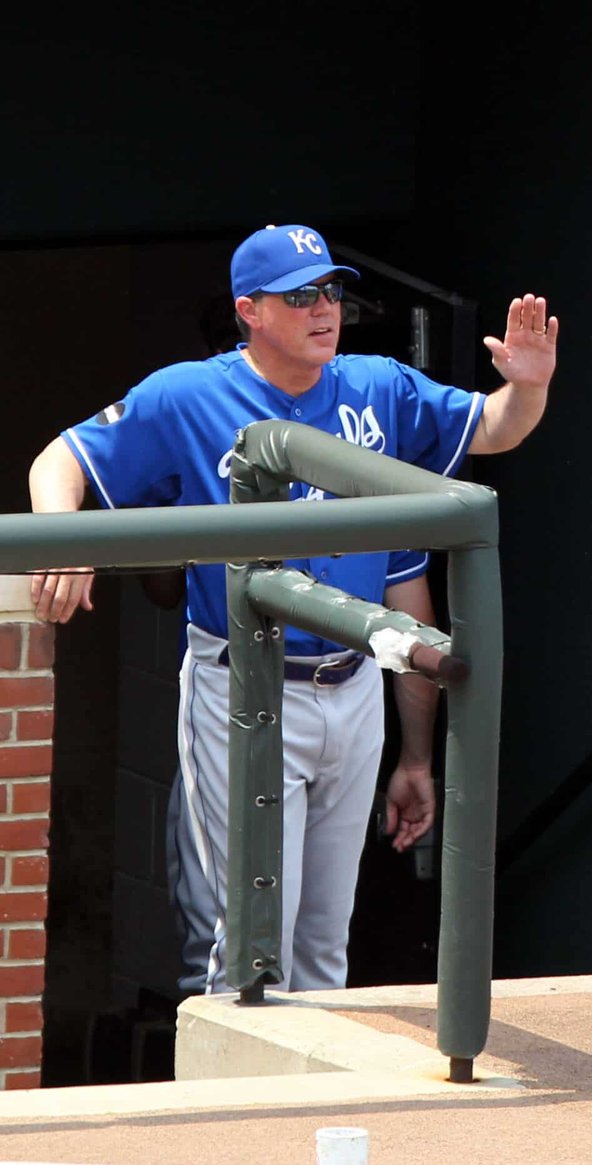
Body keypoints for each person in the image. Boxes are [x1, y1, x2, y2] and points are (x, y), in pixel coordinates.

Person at [30, 222, 558, 993]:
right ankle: (235, 1118)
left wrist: (530, 385)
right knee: (244, 949)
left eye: (331, 291)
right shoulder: (189, 392)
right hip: (244, 682)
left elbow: (494, 427)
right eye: (300, 295)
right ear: (250, 309)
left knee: (321, 950)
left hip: (352, 685)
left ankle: (307, 1114)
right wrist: (61, 536)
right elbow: (62, 459)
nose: (324, 308)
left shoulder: (379, 384)